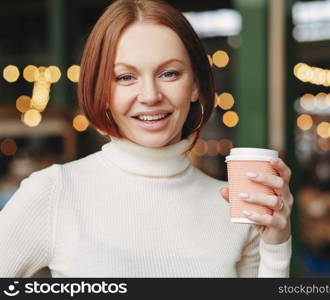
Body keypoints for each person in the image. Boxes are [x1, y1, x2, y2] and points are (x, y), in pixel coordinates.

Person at [0, 0, 293, 277]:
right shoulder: (56, 192)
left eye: (169, 73)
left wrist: (276, 246)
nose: (151, 96)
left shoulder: (235, 207)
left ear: (195, 86)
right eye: (126, 77)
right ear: (103, 92)